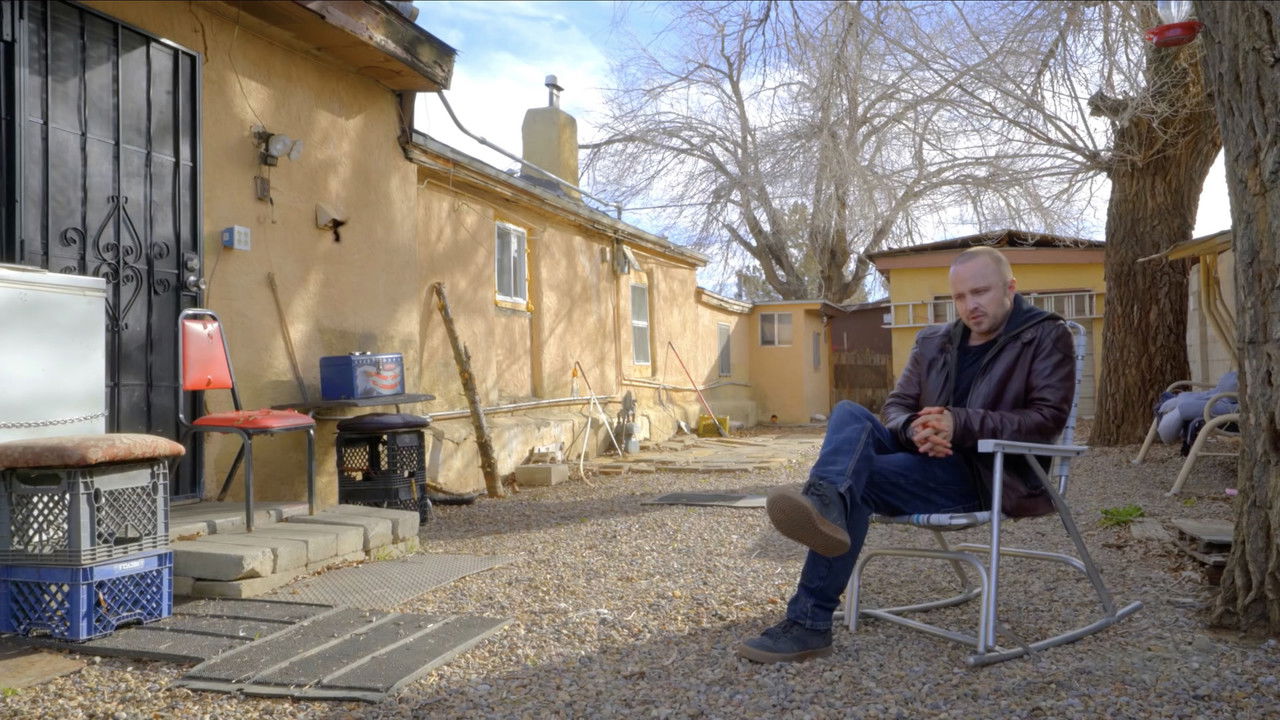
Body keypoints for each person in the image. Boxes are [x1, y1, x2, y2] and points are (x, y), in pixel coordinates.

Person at [736, 246, 1076, 664]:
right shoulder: (935, 341)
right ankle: (826, 502)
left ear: (1010, 288)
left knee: (857, 480)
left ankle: (809, 620)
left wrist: (959, 424)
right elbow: (895, 407)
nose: (969, 305)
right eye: (959, 296)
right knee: (849, 413)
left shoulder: (1044, 335)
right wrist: (916, 428)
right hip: (921, 458)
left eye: (980, 292)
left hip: (985, 475)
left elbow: (1046, 419)